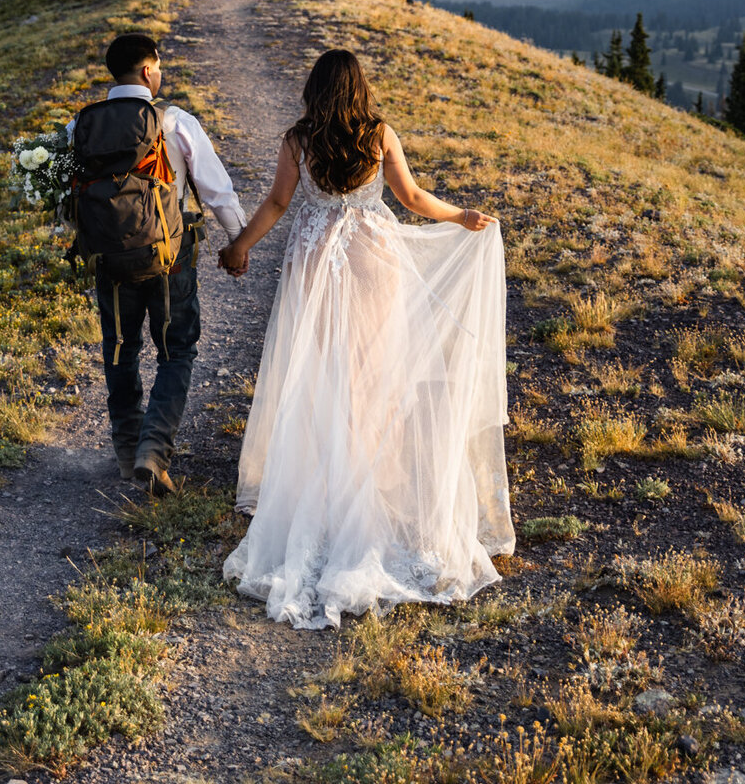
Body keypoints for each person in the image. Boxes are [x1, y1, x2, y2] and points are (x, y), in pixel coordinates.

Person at [218, 49, 514, 629]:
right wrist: (460, 217)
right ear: (359, 88)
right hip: (375, 259)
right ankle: (370, 486)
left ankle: (330, 485)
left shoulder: (299, 140)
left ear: (314, 88)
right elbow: (412, 199)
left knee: (325, 374)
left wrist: (241, 246)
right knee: (375, 373)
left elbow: (279, 202)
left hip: (315, 263)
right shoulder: (378, 135)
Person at [74, 32, 246, 496]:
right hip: (170, 255)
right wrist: (239, 243)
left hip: (110, 259)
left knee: (120, 349)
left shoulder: (83, 126)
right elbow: (217, 191)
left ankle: (128, 451)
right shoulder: (172, 120)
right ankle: (154, 450)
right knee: (177, 350)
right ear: (149, 70)